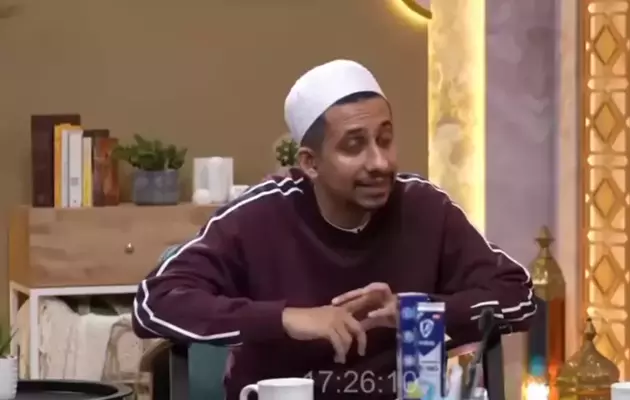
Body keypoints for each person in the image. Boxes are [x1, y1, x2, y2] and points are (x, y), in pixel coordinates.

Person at [132, 59, 536, 399]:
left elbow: (518, 293)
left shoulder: (425, 209)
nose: (379, 162)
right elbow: (154, 302)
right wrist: (287, 318)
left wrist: (417, 311)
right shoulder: (259, 217)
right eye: (354, 146)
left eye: (385, 139)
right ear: (310, 163)